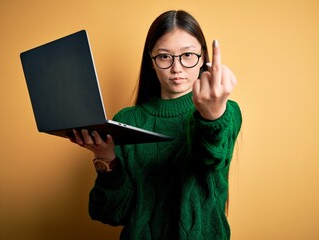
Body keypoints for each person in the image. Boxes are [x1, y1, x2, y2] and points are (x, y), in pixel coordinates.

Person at [70, 10, 242, 240]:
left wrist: (211, 117)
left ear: (203, 58)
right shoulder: (127, 121)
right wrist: (107, 159)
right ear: (151, 61)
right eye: (164, 57)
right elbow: (110, 214)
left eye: (188, 55)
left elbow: (210, 156)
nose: (177, 68)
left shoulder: (227, 112)